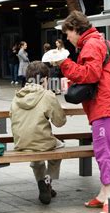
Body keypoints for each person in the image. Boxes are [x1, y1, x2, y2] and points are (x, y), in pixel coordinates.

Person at [53, 11, 110, 213]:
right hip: (104, 105)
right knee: (102, 149)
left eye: (68, 34)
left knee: (104, 152)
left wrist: (64, 64)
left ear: (76, 29)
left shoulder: (91, 44)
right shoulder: (95, 42)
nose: (67, 38)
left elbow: (90, 75)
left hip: (105, 106)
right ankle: (104, 193)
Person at [10, 61, 67, 205]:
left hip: (20, 142)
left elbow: (12, 115)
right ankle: (47, 180)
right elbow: (60, 123)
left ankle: (41, 182)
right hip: (42, 142)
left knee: (34, 143)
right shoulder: (47, 95)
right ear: (45, 79)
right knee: (59, 147)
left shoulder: (17, 96)